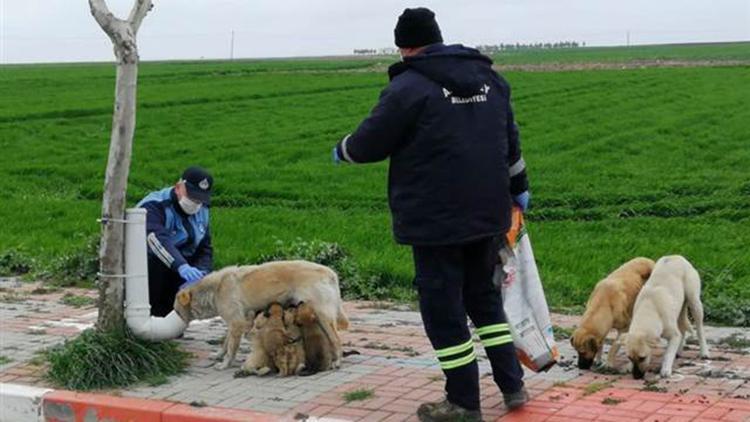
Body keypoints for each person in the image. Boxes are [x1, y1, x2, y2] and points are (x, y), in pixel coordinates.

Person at [332, 8, 530, 421]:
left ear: (404, 47)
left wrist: (343, 149)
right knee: (485, 301)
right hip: (487, 214)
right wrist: (520, 189)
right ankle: (513, 386)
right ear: (438, 39)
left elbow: (370, 143)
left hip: (436, 222)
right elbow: (511, 145)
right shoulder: (490, 80)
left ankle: (462, 402)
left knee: (444, 313)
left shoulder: (409, 87)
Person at [137, 166, 214, 317]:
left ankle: (174, 317)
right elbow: (157, 240)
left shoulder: (203, 210)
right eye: (191, 197)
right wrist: (182, 266)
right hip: (149, 264)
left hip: (180, 263)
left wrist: (202, 271)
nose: (195, 203)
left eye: (199, 199)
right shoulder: (154, 206)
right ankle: (152, 316)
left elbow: (205, 247)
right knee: (156, 263)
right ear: (178, 187)